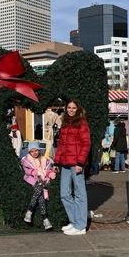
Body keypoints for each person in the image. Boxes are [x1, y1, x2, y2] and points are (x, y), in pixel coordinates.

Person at [54, 99, 91, 236]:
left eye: (73, 108)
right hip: (65, 164)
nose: (71, 110)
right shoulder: (65, 123)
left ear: (78, 109)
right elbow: (61, 145)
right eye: (69, 107)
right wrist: (56, 162)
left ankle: (81, 226)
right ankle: (74, 221)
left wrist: (80, 163)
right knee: (65, 194)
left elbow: (86, 144)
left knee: (80, 194)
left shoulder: (82, 123)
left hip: (76, 164)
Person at [21, 142, 56, 230]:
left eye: (36, 150)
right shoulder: (27, 160)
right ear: (29, 152)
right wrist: (35, 172)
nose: (34, 153)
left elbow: (48, 170)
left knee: (40, 196)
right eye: (32, 151)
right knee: (40, 188)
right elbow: (27, 171)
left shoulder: (44, 160)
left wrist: (51, 174)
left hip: (42, 181)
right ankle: (45, 219)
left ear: (39, 150)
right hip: (32, 179)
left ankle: (30, 212)